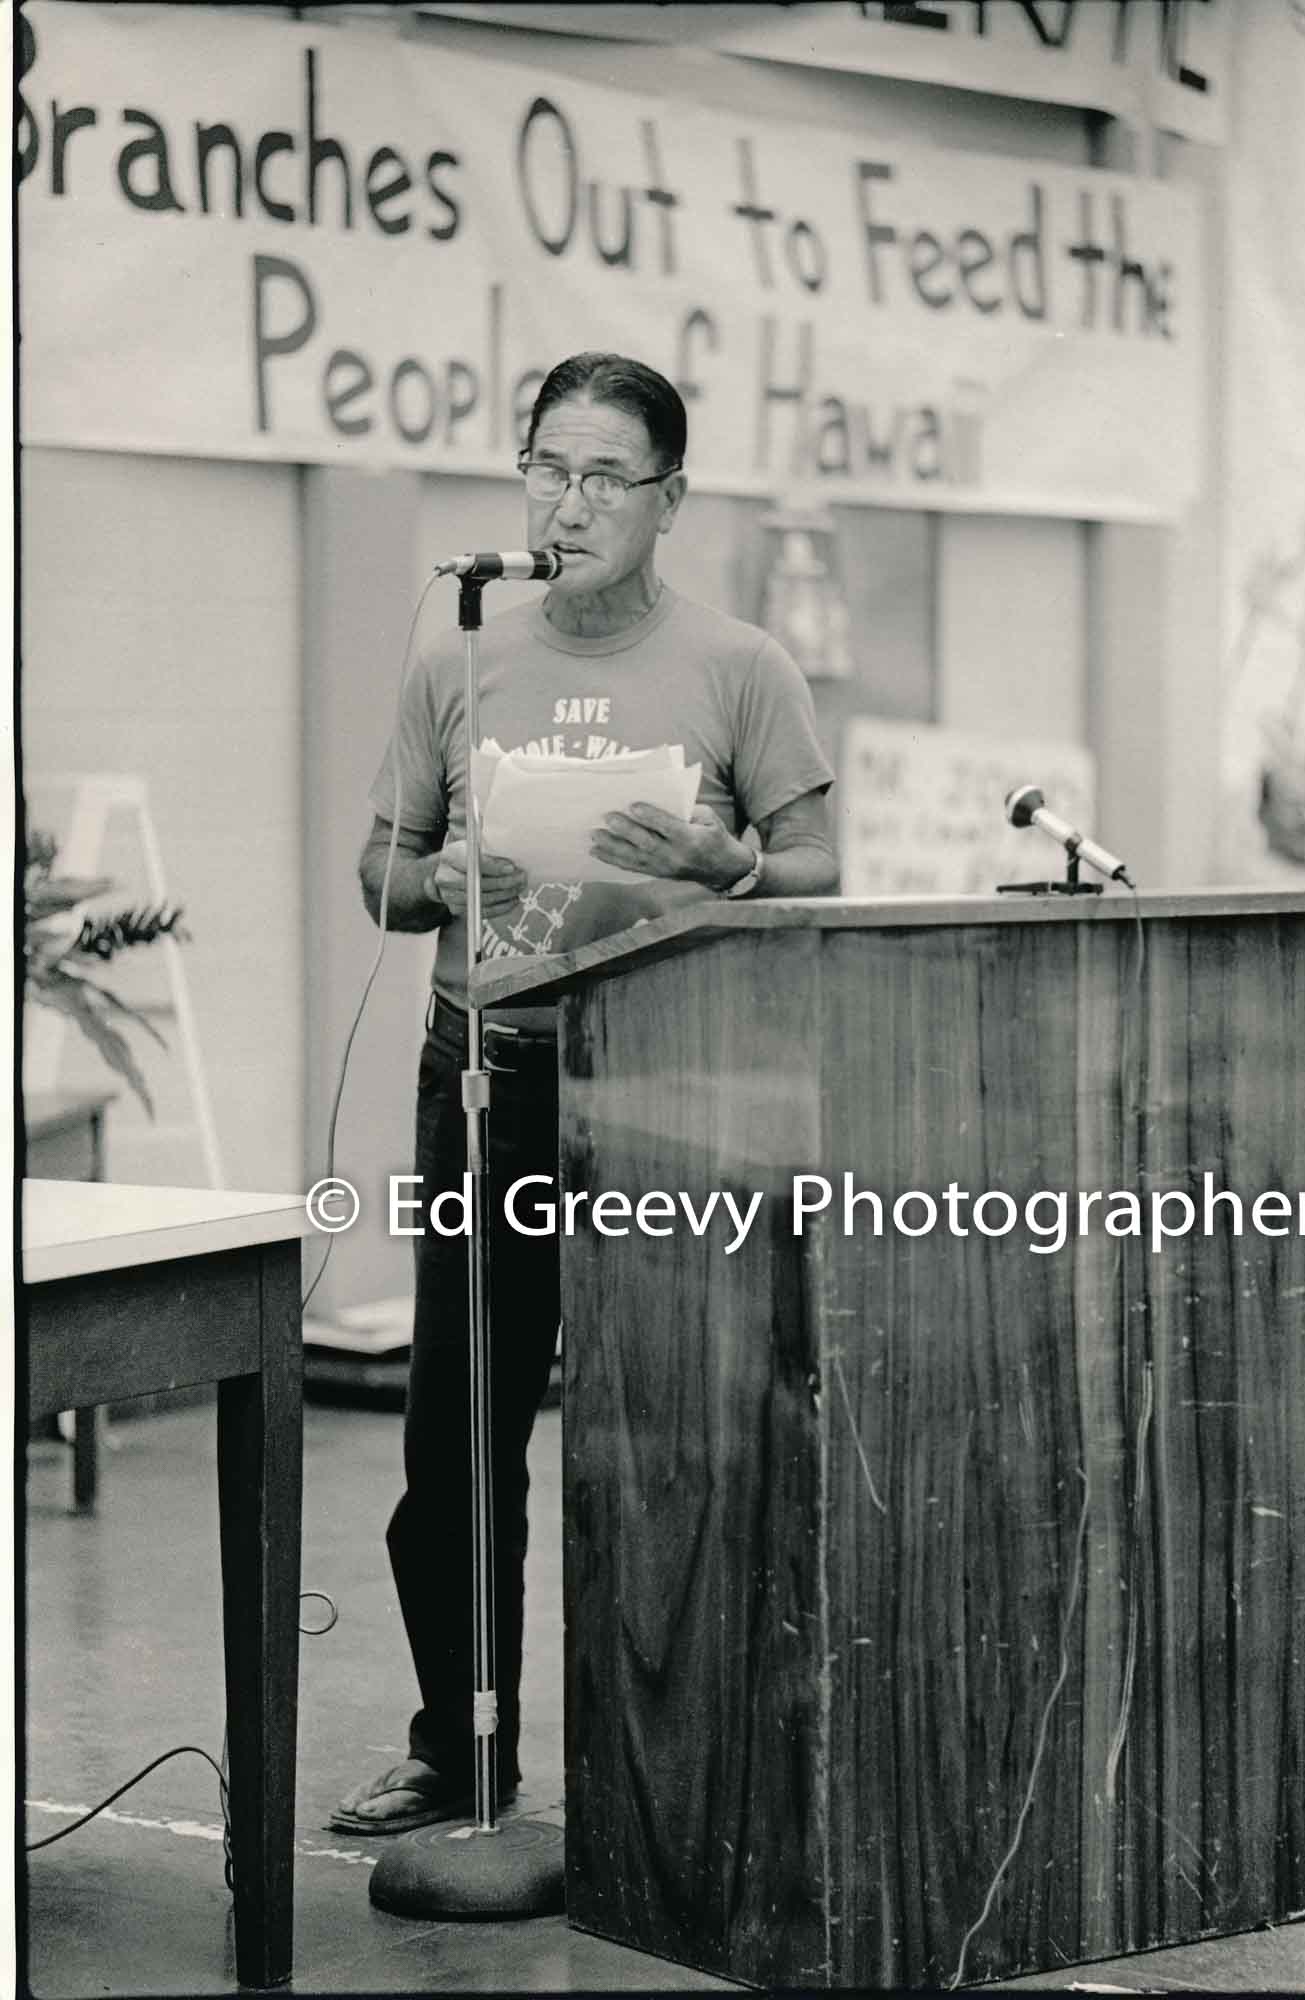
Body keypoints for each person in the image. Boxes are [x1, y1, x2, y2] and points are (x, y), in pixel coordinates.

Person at [331, 353, 839, 1833]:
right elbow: (378, 869)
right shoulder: (460, 658)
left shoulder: (740, 666)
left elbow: (819, 869)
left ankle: (669, 1765)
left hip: (665, 1084)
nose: (570, 503)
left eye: (606, 476)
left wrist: (730, 864)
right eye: (547, 469)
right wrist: (433, 877)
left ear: (670, 499)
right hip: (482, 1076)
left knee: (667, 1428)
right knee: (457, 1431)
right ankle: (458, 1741)